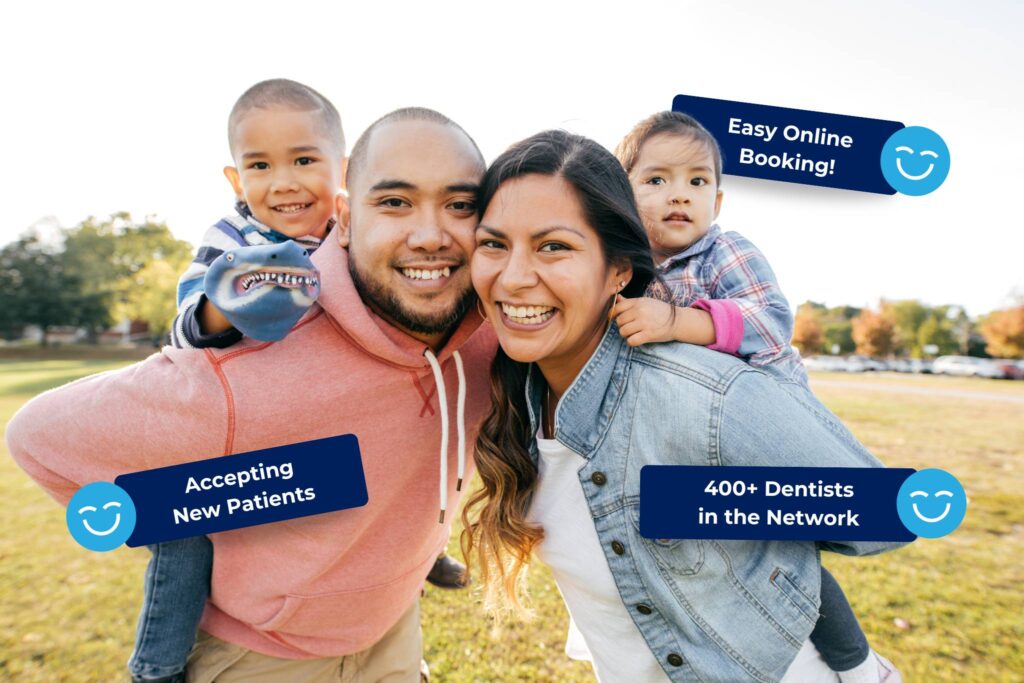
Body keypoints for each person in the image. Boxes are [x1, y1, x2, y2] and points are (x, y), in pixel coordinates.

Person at [7, 107, 496, 683]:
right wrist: (275, 488)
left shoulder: (492, 334)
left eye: (460, 205)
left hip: (393, 631)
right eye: (394, 201)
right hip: (260, 657)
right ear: (344, 216)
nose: (430, 235)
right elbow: (38, 438)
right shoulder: (246, 365)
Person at [462, 130, 904, 682]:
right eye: (494, 244)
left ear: (620, 269)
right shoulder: (520, 393)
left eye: (554, 246)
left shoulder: (706, 394)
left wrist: (696, 502)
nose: (514, 276)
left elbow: (885, 514)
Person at [610, 110, 888, 682]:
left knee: (787, 557)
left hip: (766, 425)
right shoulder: (626, 270)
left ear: (717, 200)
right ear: (621, 194)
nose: (679, 195)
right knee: (705, 548)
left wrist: (677, 322)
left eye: (697, 181)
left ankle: (860, 667)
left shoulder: (725, 251)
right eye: (657, 179)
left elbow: (770, 321)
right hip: (688, 431)